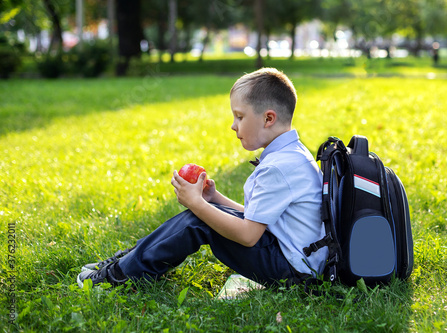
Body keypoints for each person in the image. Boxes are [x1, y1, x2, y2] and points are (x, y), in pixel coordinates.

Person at [77, 68, 328, 289]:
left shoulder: (278, 167)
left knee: (198, 221)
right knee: (206, 214)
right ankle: (128, 261)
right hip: (297, 261)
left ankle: (121, 275)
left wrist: (197, 204)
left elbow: (249, 235)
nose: (233, 125)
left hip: (296, 274)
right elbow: (260, 218)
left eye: (240, 117)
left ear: (268, 118)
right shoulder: (292, 154)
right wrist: (214, 199)